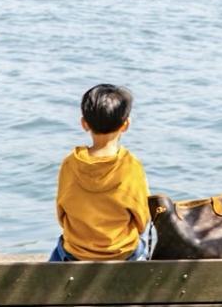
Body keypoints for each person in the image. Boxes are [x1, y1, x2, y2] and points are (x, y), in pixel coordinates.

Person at [50, 83, 152, 262]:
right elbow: (142, 221)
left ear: (84, 123)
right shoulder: (131, 165)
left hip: (75, 255)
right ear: (126, 124)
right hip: (123, 254)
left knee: (61, 248)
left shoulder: (70, 163)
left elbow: (61, 214)